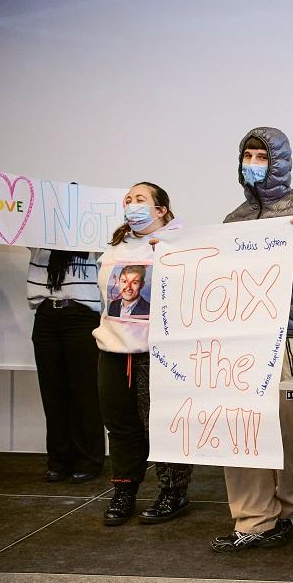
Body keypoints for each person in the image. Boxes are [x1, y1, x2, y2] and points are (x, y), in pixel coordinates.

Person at [210, 127, 293, 553]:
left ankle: (285, 506)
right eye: (249, 154)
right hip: (238, 336)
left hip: (283, 334)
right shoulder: (234, 220)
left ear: (278, 160)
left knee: (282, 426)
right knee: (239, 423)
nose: (254, 162)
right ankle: (252, 518)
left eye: (262, 155)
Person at [93, 182, 192, 526]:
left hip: (157, 353)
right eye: (128, 200)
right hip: (113, 350)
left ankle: (173, 491)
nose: (132, 205)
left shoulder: (179, 243)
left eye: (140, 199)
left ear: (161, 209)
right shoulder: (115, 248)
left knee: (162, 425)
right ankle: (124, 490)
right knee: (120, 426)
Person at [28, 247, 105, 483]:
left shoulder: (88, 223)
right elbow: (15, 226)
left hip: (82, 315)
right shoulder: (40, 225)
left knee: (86, 392)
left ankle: (90, 459)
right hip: (46, 313)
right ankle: (58, 459)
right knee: (52, 391)